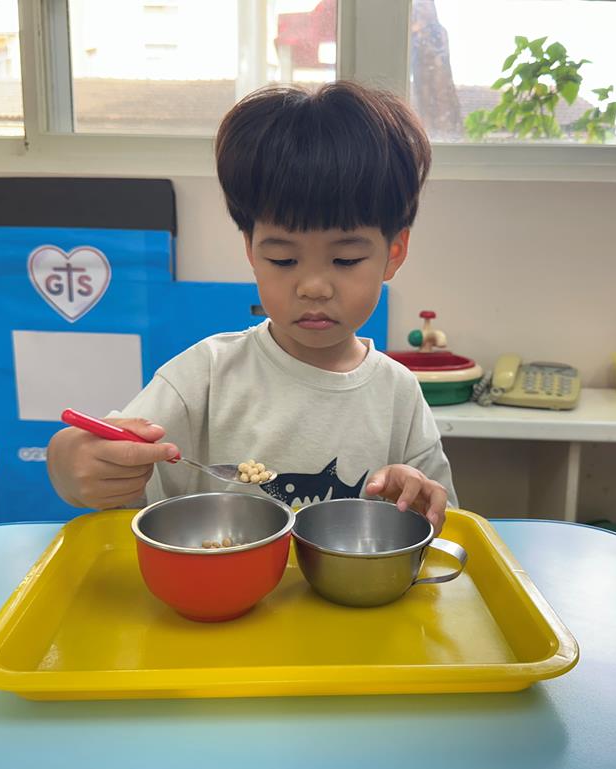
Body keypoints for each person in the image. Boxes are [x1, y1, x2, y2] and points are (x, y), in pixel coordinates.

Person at [46, 81, 457, 533]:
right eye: (283, 259)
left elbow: (444, 520)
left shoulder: (398, 393)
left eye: (345, 260)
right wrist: (71, 463)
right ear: (251, 250)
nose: (313, 287)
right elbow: (108, 449)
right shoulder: (207, 374)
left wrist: (414, 501)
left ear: (394, 253)